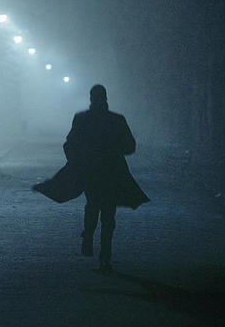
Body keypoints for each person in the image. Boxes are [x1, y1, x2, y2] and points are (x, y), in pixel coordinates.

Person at [33, 84, 149, 272]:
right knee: (108, 213)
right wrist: (112, 151)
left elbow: (69, 144)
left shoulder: (82, 119)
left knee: (93, 204)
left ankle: (88, 236)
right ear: (105, 98)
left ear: (91, 98)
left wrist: (77, 162)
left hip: (90, 170)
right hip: (111, 171)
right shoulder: (116, 120)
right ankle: (105, 256)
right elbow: (130, 146)